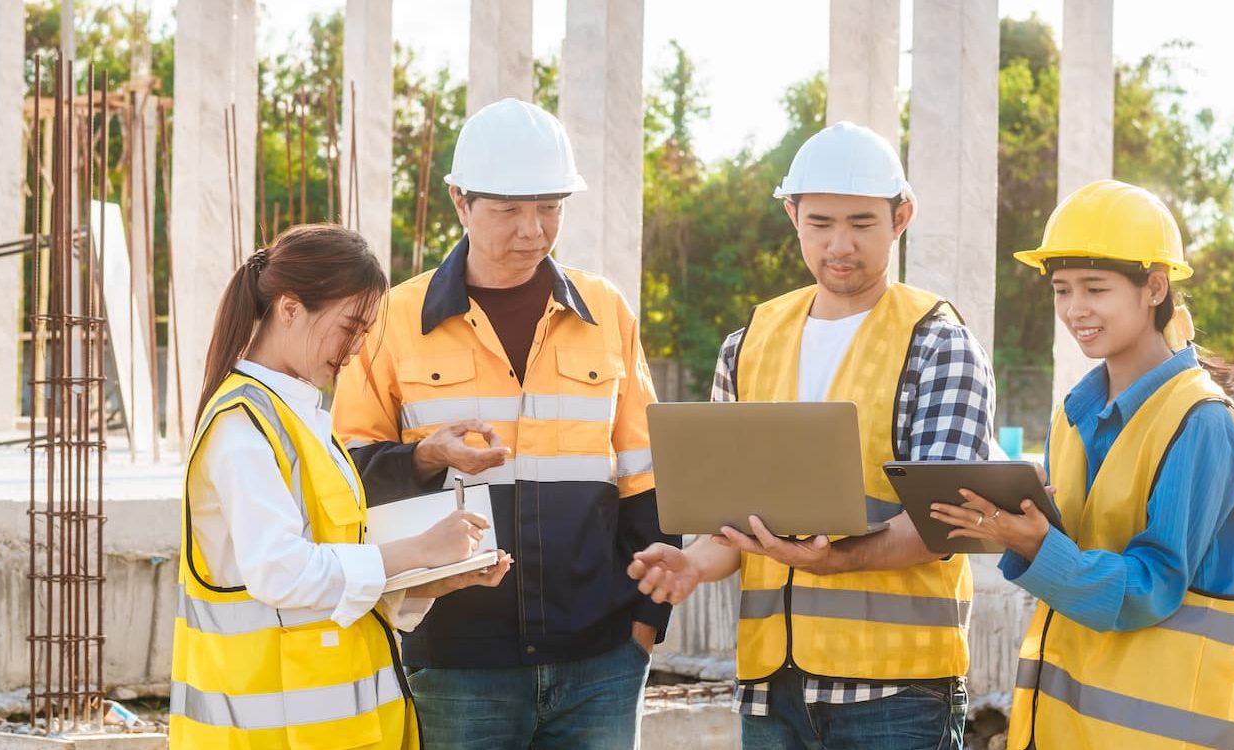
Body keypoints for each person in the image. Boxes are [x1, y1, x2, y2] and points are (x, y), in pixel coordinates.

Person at [628, 122, 993, 749]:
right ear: (793, 214)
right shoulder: (747, 345)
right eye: (821, 223)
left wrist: (832, 560)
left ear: (901, 217)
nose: (839, 244)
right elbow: (732, 528)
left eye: (861, 222)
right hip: (773, 688)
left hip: (897, 693)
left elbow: (944, 524)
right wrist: (692, 563)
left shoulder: (938, 343)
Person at [332, 98, 674, 749]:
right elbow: (344, 477)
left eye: (550, 207)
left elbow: (646, 477)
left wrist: (644, 627)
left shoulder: (606, 311)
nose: (533, 230)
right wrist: (425, 458)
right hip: (457, 665)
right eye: (510, 210)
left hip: (601, 661)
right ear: (460, 201)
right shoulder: (394, 320)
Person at [932, 179, 1234, 750]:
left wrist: (1041, 547)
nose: (1074, 310)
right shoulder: (1072, 415)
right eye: (1062, 290)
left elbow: (1152, 588)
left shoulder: (1202, 422)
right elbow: (1076, 562)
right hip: (1060, 729)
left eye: (1095, 288)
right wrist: (1017, 524)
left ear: (1154, 288)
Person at [170, 224, 514, 750]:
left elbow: (332, 572)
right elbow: (280, 572)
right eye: (349, 327)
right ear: (290, 309)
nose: (354, 350)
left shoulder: (301, 419)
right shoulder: (242, 428)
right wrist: (416, 549)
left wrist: (426, 581)